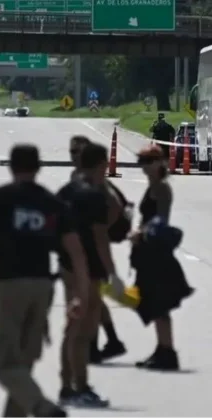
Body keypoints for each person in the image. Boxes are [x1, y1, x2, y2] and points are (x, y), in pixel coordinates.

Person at [0, 144, 92, 417]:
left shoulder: (0, 199)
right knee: (24, 360)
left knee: (4, 363)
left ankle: (40, 406)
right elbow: (76, 252)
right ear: (38, 167)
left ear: (11, 166)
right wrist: (81, 295)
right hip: (41, 286)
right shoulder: (51, 203)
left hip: (7, 283)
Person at [57, 142, 126, 407]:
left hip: (67, 265)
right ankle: (81, 386)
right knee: (84, 330)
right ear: (101, 164)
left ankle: (67, 385)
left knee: (71, 327)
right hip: (90, 267)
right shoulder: (95, 196)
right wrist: (113, 274)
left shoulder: (66, 191)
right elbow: (100, 237)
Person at [129, 145, 194, 370]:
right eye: (142, 162)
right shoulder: (152, 187)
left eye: (149, 161)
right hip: (147, 250)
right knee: (152, 302)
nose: (145, 167)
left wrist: (143, 232)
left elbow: (162, 219)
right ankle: (161, 348)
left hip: (157, 252)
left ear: (160, 163)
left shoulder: (162, 189)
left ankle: (167, 351)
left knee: (160, 303)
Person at [68, 136, 127, 364]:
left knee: (90, 297)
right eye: (72, 151)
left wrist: (99, 229)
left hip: (91, 247)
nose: (74, 156)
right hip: (79, 246)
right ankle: (109, 340)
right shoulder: (76, 177)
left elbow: (114, 207)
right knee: (91, 297)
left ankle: (94, 345)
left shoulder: (98, 181)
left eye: (79, 152)